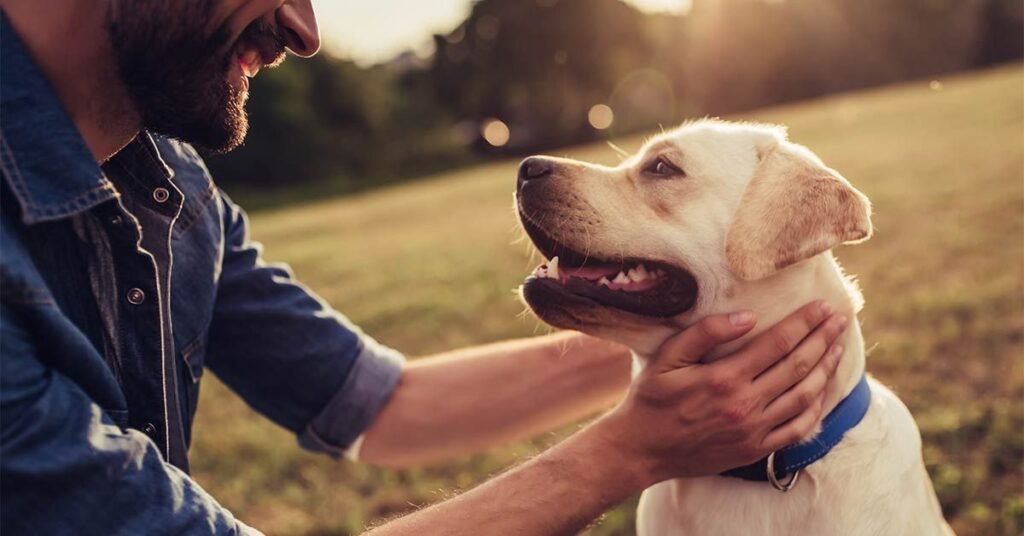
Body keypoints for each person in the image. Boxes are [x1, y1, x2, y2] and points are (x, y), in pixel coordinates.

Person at [0, 1, 848, 534]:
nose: (303, 29)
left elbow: (384, 404)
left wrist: (714, 338)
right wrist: (624, 454)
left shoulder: (171, 188)